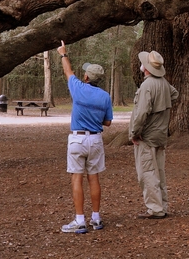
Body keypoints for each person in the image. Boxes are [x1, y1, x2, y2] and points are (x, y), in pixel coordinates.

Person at [57, 40, 113, 234]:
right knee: (94, 177)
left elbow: (68, 71)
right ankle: (96, 218)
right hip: (96, 140)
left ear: (87, 76)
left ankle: (80, 220)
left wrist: (63, 53)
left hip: (77, 139)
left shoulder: (78, 88)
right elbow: (107, 123)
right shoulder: (105, 96)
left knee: (76, 178)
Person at [130, 50, 178, 219]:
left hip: (147, 136)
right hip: (160, 135)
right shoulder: (164, 83)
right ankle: (162, 206)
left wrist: (134, 133)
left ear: (146, 68)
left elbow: (142, 113)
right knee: (159, 171)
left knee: (148, 173)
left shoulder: (147, 86)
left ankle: (156, 209)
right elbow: (175, 94)